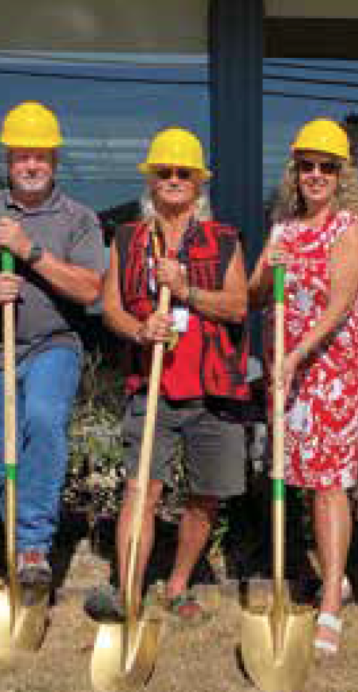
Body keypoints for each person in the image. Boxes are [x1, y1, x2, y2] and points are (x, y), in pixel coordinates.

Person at [84, 128, 249, 624]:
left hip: (213, 388)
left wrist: (187, 290)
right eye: (165, 173)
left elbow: (239, 306)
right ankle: (128, 591)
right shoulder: (129, 238)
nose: (174, 180)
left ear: (199, 184)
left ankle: (177, 585)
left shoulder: (224, 240)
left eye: (184, 173)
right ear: (151, 183)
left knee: (205, 496)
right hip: (151, 385)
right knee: (142, 488)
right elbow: (110, 306)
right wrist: (139, 330)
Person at [0, 102, 105, 586]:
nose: (32, 165)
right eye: (22, 156)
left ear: (55, 161)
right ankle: (20, 547)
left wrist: (29, 251)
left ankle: (34, 547)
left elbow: (90, 289)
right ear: (8, 160)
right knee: (5, 455)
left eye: (41, 156)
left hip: (51, 345)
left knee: (41, 418)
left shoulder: (78, 219)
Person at [247, 119, 358, 656]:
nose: (315, 175)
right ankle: (331, 575)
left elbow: (340, 305)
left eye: (327, 167)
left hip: (330, 369)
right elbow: (253, 295)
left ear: (342, 174)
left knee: (330, 483)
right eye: (307, 166)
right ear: (294, 172)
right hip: (286, 371)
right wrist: (264, 271)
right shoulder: (281, 228)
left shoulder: (348, 229)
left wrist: (298, 355)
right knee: (294, 476)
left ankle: (331, 605)